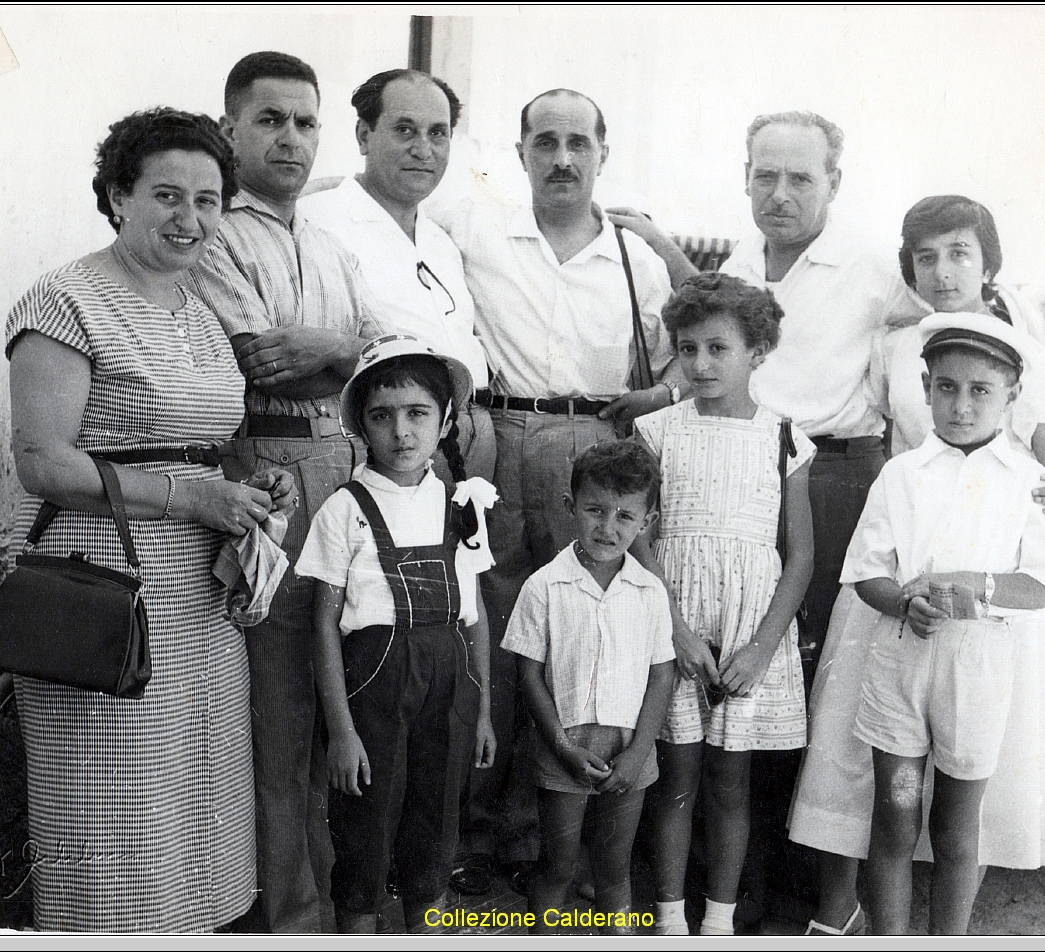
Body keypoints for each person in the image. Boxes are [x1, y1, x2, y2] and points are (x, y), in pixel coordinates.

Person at [5, 107, 295, 931]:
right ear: (116, 195)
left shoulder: (200, 312)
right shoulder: (66, 299)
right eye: (167, 195)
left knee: (194, 811)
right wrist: (190, 497)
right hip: (103, 589)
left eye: (208, 201)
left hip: (199, 599)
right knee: (109, 813)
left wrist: (249, 491)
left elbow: (205, 446)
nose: (190, 219)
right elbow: (42, 463)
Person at [789, 196, 1045, 935]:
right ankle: (854, 912)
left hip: (988, 621)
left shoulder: (1032, 360)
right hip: (902, 591)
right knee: (869, 772)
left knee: (971, 794)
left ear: (988, 260)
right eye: (926, 257)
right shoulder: (898, 347)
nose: (944, 270)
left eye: (959, 252)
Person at [429, 88, 681, 881]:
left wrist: (660, 396)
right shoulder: (475, 230)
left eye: (579, 143)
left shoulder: (637, 261)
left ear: (603, 153)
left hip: (597, 445)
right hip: (500, 441)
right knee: (495, 633)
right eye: (546, 143)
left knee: (586, 635)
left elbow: (696, 350)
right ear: (521, 153)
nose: (563, 158)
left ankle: (553, 839)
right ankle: (479, 831)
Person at [187, 51, 387, 933]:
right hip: (267, 473)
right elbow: (255, 356)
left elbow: (382, 361)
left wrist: (335, 351)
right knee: (280, 709)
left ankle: (335, 895)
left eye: (306, 123)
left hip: (347, 472)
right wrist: (333, 352)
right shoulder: (213, 233)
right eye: (270, 120)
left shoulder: (334, 245)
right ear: (230, 129)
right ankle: (287, 916)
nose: (291, 139)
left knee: (337, 696)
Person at [848, 313, 1045, 934]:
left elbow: (1043, 586)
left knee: (955, 825)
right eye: (946, 387)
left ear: (1012, 397)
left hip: (978, 669)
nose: (962, 406)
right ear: (925, 388)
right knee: (893, 817)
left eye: (980, 391)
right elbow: (867, 571)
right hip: (903, 660)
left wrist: (975, 582)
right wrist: (901, 602)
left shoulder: (1028, 482)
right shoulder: (901, 475)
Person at [629, 272, 816, 936]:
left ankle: (720, 921)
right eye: (688, 349)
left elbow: (799, 557)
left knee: (731, 784)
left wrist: (764, 645)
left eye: (718, 348)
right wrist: (672, 627)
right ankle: (670, 917)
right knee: (675, 779)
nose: (701, 364)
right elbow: (640, 540)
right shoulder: (656, 431)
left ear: (757, 351)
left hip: (747, 630)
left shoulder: (782, 438)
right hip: (678, 621)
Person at [297, 335, 497, 933]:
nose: (401, 433)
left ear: (446, 423)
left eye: (418, 414)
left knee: (434, 827)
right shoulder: (345, 508)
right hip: (372, 688)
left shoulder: (460, 504)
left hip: (449, 687)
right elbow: (323, 628)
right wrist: (341, 733)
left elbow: (477, 614)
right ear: (361, 423)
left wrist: (484, 709)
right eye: (383, 416)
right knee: (365, 829)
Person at [500, 440, 675, 933]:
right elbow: (529, 672)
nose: (607, 527)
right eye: (595, 510)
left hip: (628, 749)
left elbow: (663, 673)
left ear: (647, 522)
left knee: (614, 871)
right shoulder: (544, 585)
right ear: (569, 507)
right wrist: (561, 745)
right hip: (566, 747)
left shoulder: (650, 591)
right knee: (557, 865)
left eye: (625, 515)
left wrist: (640, 751)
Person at [297, 69, 494, 483]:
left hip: (473, 437)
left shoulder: (440, 240)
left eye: (438, 134)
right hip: (389, 446)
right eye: (405, 130)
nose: (424, 149)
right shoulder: (319, 221)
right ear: (364, 136)